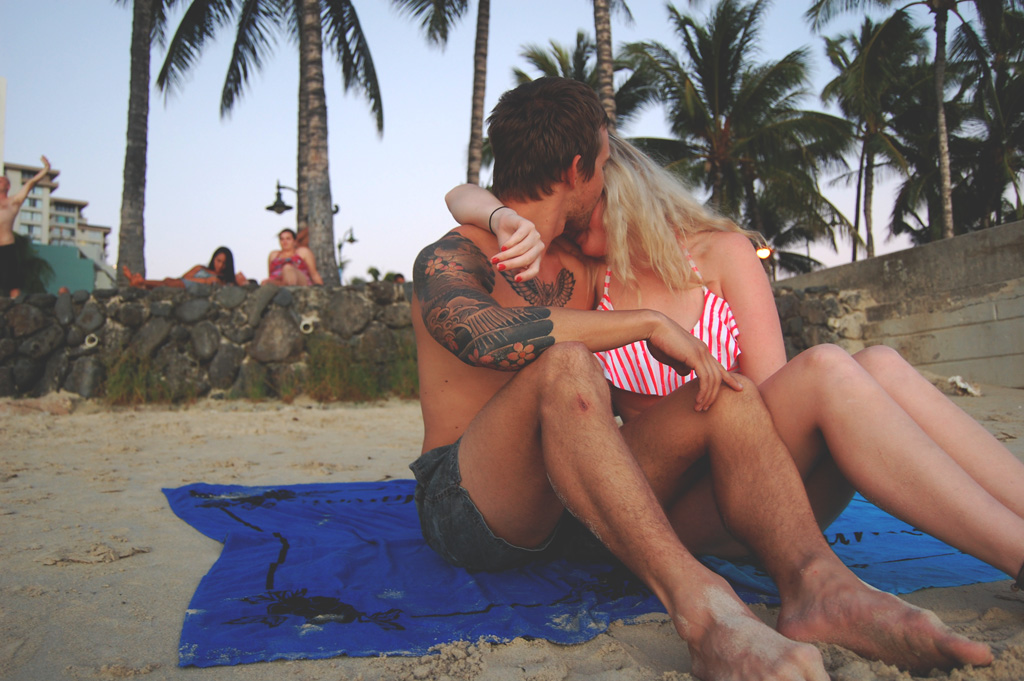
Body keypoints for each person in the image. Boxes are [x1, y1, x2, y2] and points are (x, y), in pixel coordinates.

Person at [415, 77, 990, 681]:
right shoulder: (457, 251)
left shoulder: (581, 263)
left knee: (724, 393)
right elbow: (477, 331)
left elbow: (463, 191)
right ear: (579, 168)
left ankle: (818, 587)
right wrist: (648, 323)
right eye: (605, 163)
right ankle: (707, 616)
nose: (609, 177)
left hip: (568, 506)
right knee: (566, 362)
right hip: (469, 505)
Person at [448, 134, 1024, 591]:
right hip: (662, 496)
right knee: (827, 368)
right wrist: (500, 219)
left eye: (587, 204)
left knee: (881, 364)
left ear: (622, 192)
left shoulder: (721, 254)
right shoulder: (592, 278)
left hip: (753, 477)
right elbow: (460, 196)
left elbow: (772, 395)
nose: (572, 220)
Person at [0, 155, 51, 299]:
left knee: (13, 285)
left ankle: (16, 308)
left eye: (2, 180)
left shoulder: (13, 202)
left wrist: (46, 169)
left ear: (8, 186)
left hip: (6, 246)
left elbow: (30, 183)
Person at [122, 246, 247, 289]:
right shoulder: (200, 268)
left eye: (224, 263)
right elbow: (184, 278)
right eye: (218, 261)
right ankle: (138, 282)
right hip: (186, 283)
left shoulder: (223, 279)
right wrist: (204, 280)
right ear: (214, 259)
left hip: (192, 288)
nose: (220, 265)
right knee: (168, 281)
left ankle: (140, 281)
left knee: (168, 283)